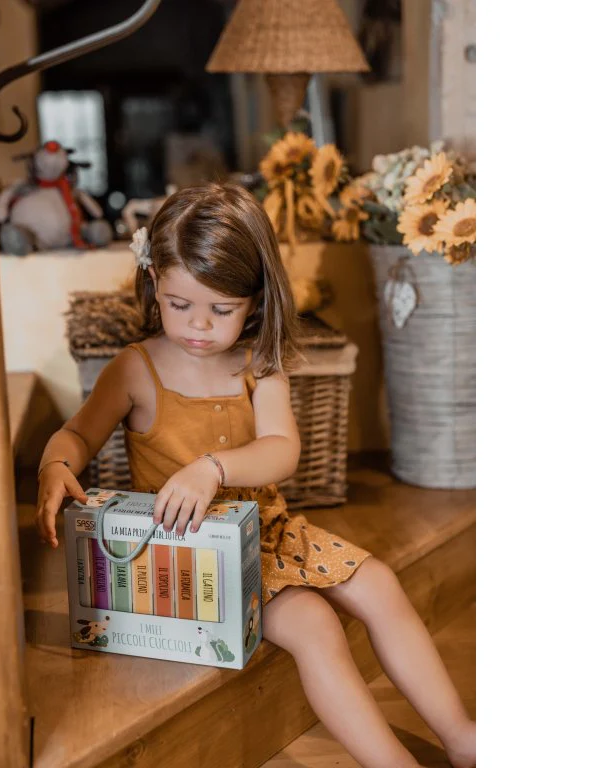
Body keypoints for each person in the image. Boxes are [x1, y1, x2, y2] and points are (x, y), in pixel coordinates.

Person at [35, 183, 476, 768]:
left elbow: (282, 450)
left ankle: (462, 738)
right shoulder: (134, 370)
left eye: (221, 310)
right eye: (179, 304)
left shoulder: (258, 363)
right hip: (192, 557)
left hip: (268, 533)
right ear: (153, 282)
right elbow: (76, 435)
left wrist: (213, 467)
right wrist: (55, 465)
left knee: (380, 583)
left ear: (255, 299)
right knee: (315, 624)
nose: (198, 325)